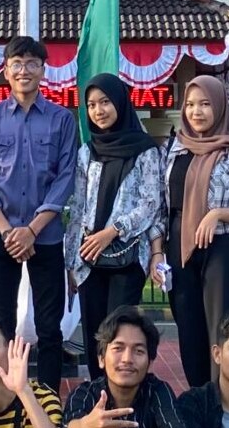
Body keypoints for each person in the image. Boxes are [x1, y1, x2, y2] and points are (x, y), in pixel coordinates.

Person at [0, 36, 77, 393]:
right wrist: (8, 232)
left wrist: (31, 230)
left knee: (50, 327)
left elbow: (65, 178)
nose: (24, 70)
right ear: (5, 71)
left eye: (32, 63)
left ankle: (48, 400)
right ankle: (1, 397)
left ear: (43, 71)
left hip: (46, 237)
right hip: (1, 236)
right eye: (16, 63)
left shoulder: (62, 120)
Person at [148, 75, 229, 387]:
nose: (196, 112)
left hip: (221, 247)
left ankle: (224, 397)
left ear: (220, 107)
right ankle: (199, 397)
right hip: (178, 246)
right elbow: (161, 207)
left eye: (205, 104)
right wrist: (156, 252)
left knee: (224, 328)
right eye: (190, 105)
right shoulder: (173, 150)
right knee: (189, 326)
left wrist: (219, 214)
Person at [65, 73, 162, 380]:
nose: (99, 111)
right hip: (89, 258)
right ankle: (98, 393)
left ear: (120, 102)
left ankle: (123, 392)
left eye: (105, 102)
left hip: (127, 256)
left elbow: (151, 203)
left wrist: (112, 231)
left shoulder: (145, 149)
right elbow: (78, 208)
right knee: (94, 334)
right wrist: (71, 262)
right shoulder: (87, 151)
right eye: (92, 105)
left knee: (119, 333)